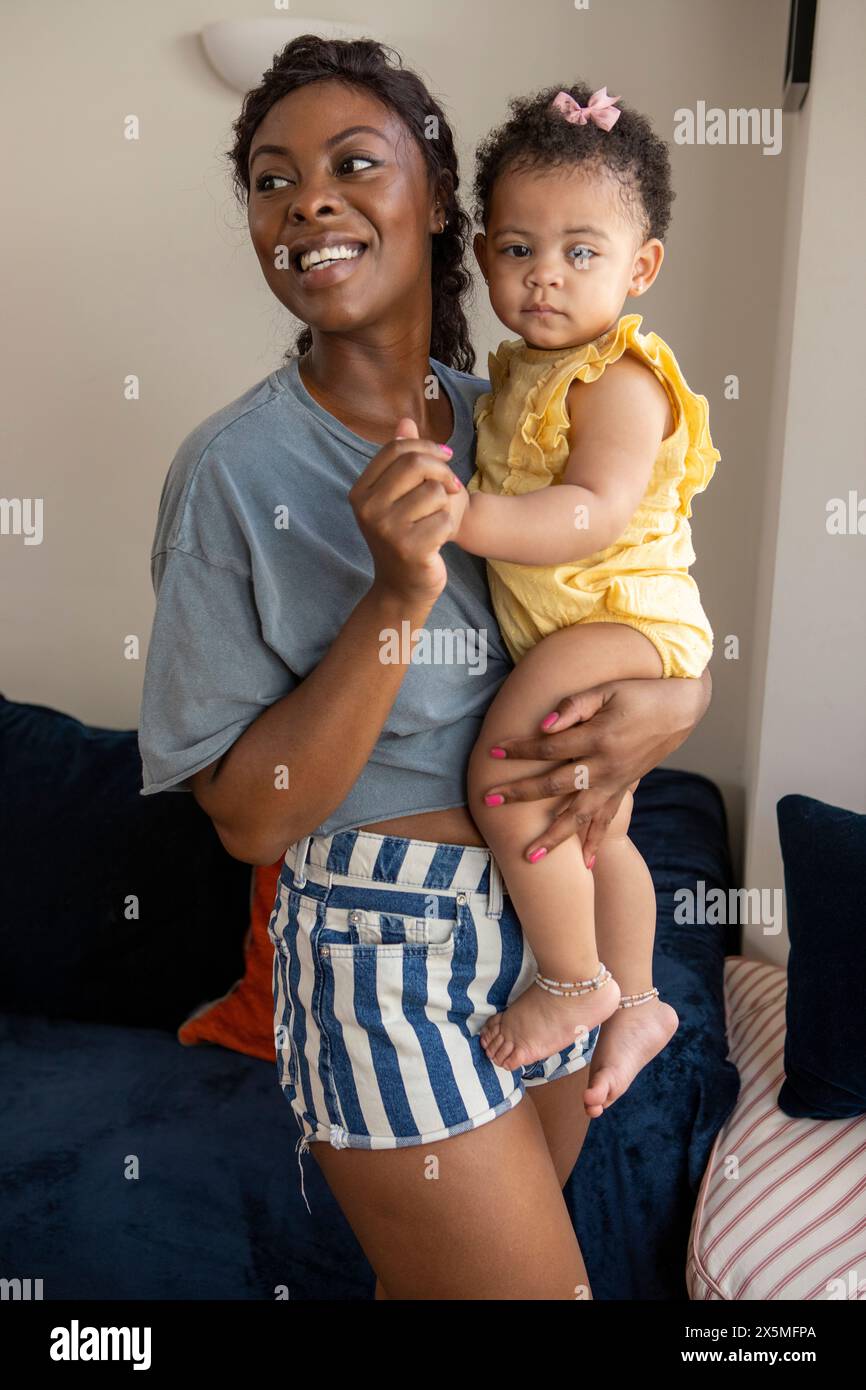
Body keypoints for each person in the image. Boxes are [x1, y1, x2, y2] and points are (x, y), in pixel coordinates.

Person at [138, 37, 712, 1301]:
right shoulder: (233, 472)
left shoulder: (522, 407)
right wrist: (394, 596)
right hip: (381, 933)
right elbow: (246, 816)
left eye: (353, 164)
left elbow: (627, 589)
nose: (308, 203)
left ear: (440, 200)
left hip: (546, 925)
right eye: (271, 182)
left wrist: (679, 696)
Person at [446, 84, 720, 1112]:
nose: (543, 276)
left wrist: (460, 518)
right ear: (480, 259)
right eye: (516, 250)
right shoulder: (520, 368)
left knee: (505, 779)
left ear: (638, 267)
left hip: (613, 616)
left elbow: (590, 514)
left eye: (579, 251)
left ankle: (572, 982)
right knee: (597, 828)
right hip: (586, 622)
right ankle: (640, 998)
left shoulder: (620, 379)